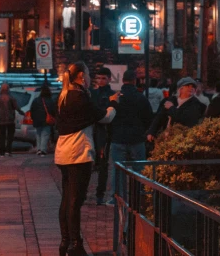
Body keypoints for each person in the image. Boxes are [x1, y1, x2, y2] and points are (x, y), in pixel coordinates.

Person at [55, 61, 119, 256]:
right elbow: (104, 117)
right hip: (78, 152)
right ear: (82, 76)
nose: (91, 78)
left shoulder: (64, 96)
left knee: (66, 199)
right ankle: (76, 244)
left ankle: (65, 241)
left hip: (63, 151)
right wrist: (113, 103)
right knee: (75, 200)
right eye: (89, 74)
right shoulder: (80, 97)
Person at [107, 69, 154, 205]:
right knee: (139, 169)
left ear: (123, 81)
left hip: (118, 137)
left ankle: (116, 197)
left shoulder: (116, 98)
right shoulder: (141, 98)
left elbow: (110, 117)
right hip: (136, 138)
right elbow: (148, 118)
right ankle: (142, 195)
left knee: (118, 170)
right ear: (135, 81)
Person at [146, 77, 206, 142]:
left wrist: (171, 108)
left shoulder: (195, 104)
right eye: (188, 86)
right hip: (166, 138)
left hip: (183, 140)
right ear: (180, 89)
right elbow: (159, 117)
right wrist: (151, 132)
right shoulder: (172, 100)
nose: (191, 88)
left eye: (193, 87)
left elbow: (184, 119)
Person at [90, 67, 114, 205]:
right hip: (94, 130)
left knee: (103, 165)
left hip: (105, 131)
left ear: (109, 79)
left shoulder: (111, 94)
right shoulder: (93, 93)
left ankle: (100, 193)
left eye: (103, 78)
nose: (100, 81)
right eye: (98, 78)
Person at [0, 83, 24, 156]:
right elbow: (16, 107)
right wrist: (21, 112)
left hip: (0, 120)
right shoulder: (11, 98)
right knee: (10, 136)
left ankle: (1, 152)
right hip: (10, 119)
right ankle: (8, 150)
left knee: (1, 136)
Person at [30, 85, 57, 156]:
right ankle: (43, 150)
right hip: (46, 121)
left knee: (38, 135)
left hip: (37, 120)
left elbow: (32, 110)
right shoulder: (50, 100)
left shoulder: (36, 100)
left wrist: (33, 118)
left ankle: (39, 149)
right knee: (45, 135)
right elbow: (53, 111)